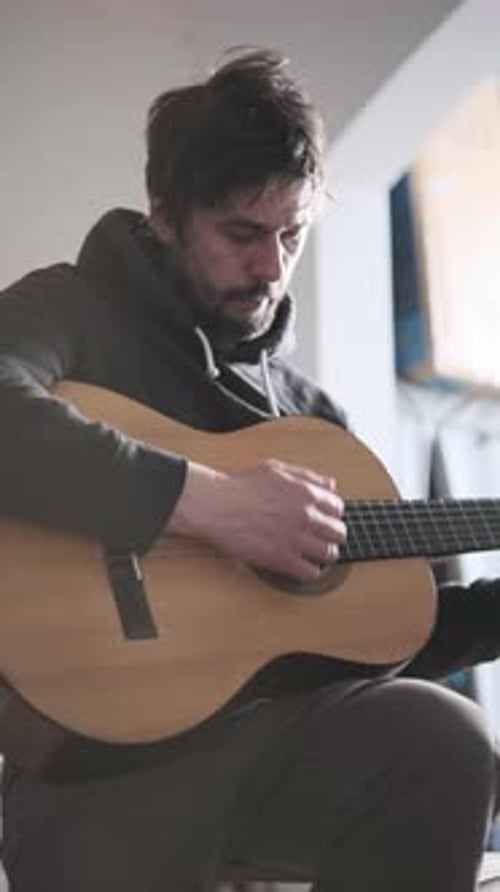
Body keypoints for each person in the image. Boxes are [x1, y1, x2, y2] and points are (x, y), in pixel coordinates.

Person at [0, 47, 499, 892]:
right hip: (94, 783)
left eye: (292, 234)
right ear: (164, 213)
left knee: (449, 736)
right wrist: (206, 503)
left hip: (268, 762)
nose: (272, 267)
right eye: (242, 233)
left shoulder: (309, 421)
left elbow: (368, 643)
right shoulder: (68, 308)